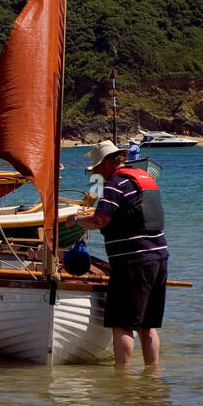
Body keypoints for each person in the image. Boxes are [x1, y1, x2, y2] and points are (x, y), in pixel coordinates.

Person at [68, 140, 169, 368]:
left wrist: (74, 221)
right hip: (159, 257)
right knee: (147, 325)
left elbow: (99, 220)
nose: (97, 174)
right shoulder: (143, 178)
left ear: (104, 164)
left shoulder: (115, 183)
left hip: (133, 261)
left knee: (123, 325)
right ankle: (152, 377)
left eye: (96, 169)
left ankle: (123, 381)